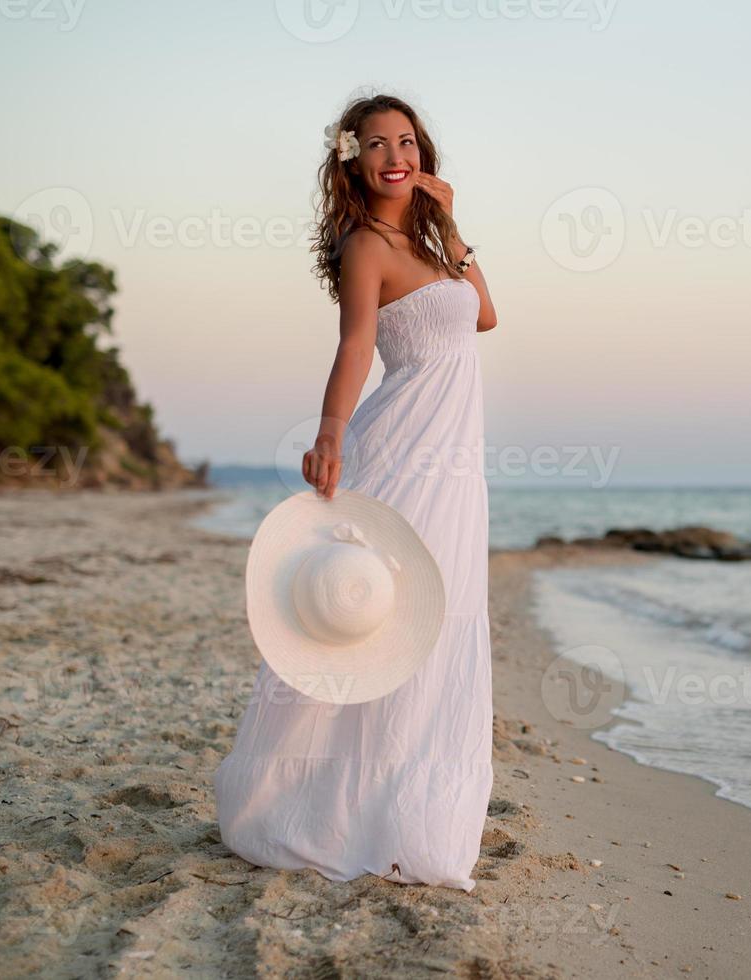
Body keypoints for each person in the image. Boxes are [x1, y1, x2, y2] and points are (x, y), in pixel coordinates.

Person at [212, 92, 498, 890]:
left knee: (439, 623)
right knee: (378, 618)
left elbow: (487, 316)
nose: (393, 155)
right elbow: (355, 348)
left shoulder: (434, 247)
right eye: (375, 144)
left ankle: (409, 813)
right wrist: (331, 434)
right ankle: (309, 800)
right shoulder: (365, 245)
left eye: (406, 142)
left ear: (424, 155)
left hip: (455, 463)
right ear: (353, 160)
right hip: (404, 450)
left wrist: (456, 222)